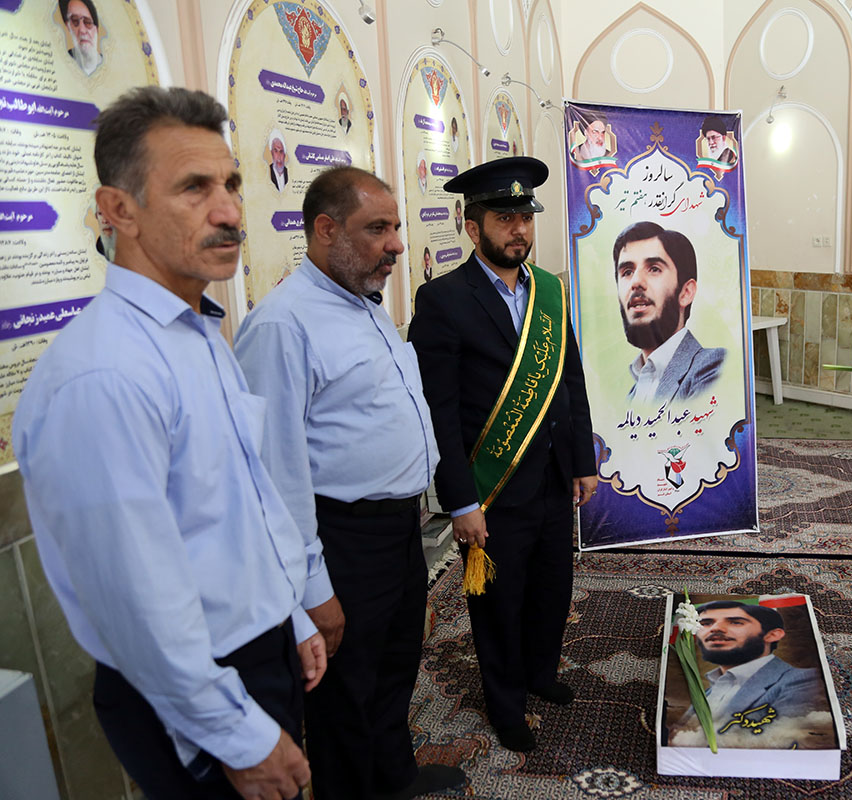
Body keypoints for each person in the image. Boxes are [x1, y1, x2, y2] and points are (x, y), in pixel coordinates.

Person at [14, 85, 326, 800]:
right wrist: (241, 738)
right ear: (118, 210)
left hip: (250, 653)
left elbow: (236, 504)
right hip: (193, 687)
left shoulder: (194, 331)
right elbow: (138, 602)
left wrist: (290, 613)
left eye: (232, 185)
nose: (228, 212)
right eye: (194, 188)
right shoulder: (104, 374)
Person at [234, 166, 465, 800]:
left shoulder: (363, 303)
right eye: (378, 229)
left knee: (393, 671)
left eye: (395, 227)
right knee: (343, 698)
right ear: (325, 229)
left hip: (397, 530)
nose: (396, 244)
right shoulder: (284, 325)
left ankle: (394, 779)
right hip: (341, 540)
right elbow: (274, 476)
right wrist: (313, 588)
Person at [408, 156, 597, 754]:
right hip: (490, 487)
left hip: (549, 477)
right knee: (498, 605)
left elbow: (570, 380)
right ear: (473, 227)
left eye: (525, 217)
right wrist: (460, 499)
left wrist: (583, 459)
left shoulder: (548, 291)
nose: (519, 229)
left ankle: (540, 675)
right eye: (504, 217)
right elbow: (439, 411)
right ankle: (506, 702)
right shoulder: (441, 300)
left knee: (551, 588)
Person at [668, 601, 828, 749]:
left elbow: (787, 744)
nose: (715, 628)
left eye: (735, 622)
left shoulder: (804, 681)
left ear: (773, 634)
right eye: (705, 623)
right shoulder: (711, 689)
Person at [613, 221, 726, 405]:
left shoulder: (711, 367)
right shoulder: (632, 394)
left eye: (654, 269)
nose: (636, 282)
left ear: (686, 292)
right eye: (627, 271)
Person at [60, 0, 102, 76]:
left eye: (88, 22)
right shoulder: (60, 64)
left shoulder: (110, 64)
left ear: (96, 29)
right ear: (68, 26)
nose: (82, 30)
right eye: (75, 21)